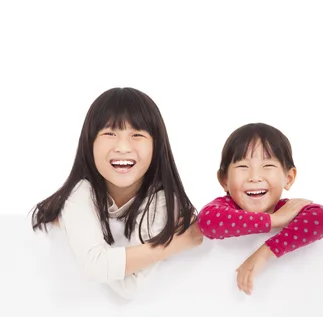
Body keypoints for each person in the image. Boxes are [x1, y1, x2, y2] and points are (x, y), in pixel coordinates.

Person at [31, 87, 202, 299]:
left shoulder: (162, 202)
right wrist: (174, 244)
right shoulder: (80, 193)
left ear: (156, 146)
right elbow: (96, 267)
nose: (122, 147)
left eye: (137, 134)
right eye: (109, 133)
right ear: (89, 143)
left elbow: (129, 285)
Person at [197, 123, 323, 295]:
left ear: (289, 178)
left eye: (268, 166)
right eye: (242, 167)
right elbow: (207, 221)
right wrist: (274, 220)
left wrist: (265, 252)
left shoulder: (287, 209)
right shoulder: (223, 208)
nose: (255, 177)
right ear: (224, 180)